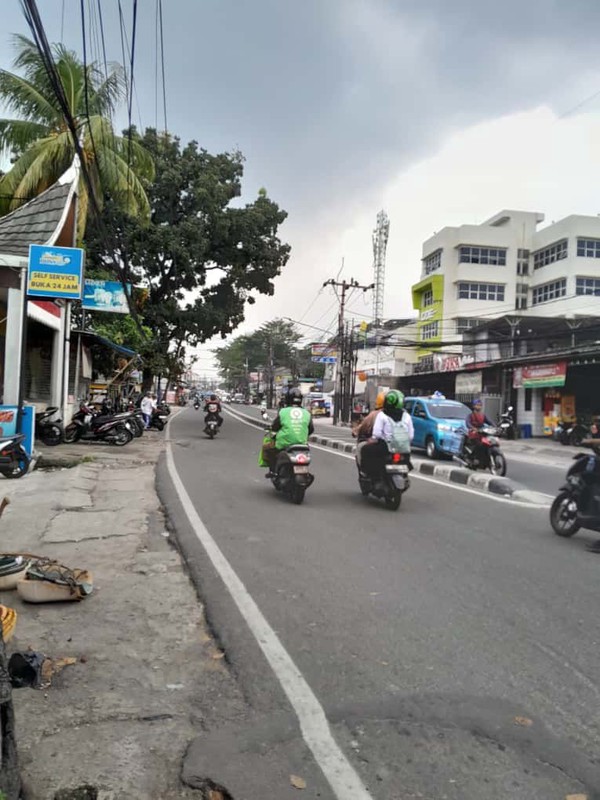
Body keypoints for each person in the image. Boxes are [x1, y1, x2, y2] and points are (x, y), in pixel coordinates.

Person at [360, 390, 414, 480]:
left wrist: (373, 439)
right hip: (404, 449)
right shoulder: (407, 416)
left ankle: (367, 473)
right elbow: (411, 436)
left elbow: (376, 434)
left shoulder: (382, 415)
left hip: (386, 448)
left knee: (365, 449)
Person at [262, 387, 314, 475]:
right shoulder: (307, 413)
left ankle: (272, 471)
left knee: (268, 448)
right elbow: (311, 429)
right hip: (302, 443)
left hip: (284, 443)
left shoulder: (283, 412)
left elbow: (275, 427)